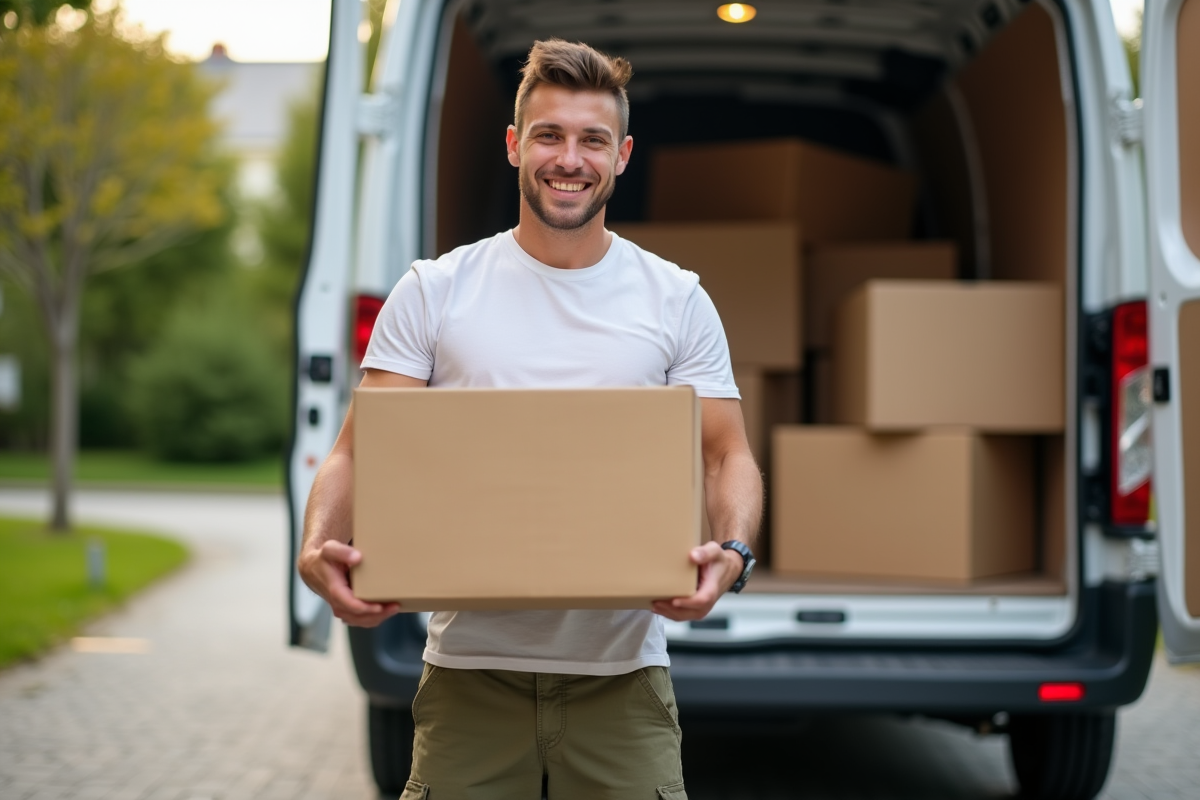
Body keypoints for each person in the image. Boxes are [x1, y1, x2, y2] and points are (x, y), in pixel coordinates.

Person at [297, 38, 763, 799]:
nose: (568, 159)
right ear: (515, 145)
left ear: (622, 156)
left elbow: (726, 456)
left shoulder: (675, 298)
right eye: (549, 135)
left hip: (623, 675)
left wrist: (733, 551)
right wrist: (317, 545)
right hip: (468, 674)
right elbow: (358, 452)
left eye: (592, 140)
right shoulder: (434, 291)